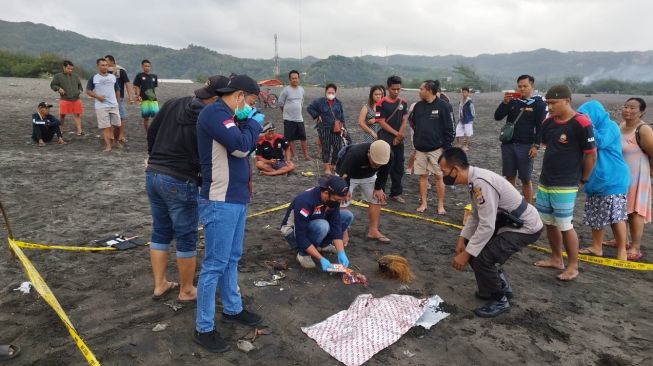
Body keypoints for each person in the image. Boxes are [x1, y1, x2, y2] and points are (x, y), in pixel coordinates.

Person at [194, 74, 265, 353]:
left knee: (232, 257)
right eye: (249, 101)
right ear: (238, 95)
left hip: (235, 198)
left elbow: (242, 142)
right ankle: (204, 327)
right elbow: (241, 147)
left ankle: (233, 308)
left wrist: (248, 125)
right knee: (214, 263)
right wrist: (254, 125)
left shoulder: (231, 116)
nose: (249, 106)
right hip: (219, 199)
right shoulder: (215, 113)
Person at [145, 75, 227, 303]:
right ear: (216, 98)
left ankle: (160, 284)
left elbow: (152, 132)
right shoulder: (207, 117)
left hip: (153, 173)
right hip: (180, 179)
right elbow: (207, 156)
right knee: (186, 235)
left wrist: (154, 157)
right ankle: (187, 289)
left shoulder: (173, 102)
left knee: (160, 229)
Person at [441, 147, 543, 318]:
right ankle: (496, 287)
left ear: (455, 170)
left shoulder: (480, 183)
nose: (443, 175)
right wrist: (462, 238)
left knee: (483, 258)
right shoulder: (473, 179)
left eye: (444, 171)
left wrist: (466, 254)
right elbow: (475, 214)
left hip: (525, 227)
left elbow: (487, 226)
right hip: (509, 223)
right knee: (474, 248)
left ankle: (500, 299)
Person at [534, 85, 596, 281]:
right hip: (546, 180)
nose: (550, 107)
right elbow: (548, 146)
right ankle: (556, 258)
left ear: (567, 101)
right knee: (549, 222)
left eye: (553, 103)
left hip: (566, 183)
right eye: (547, 103)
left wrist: (582, 180)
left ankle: (573, 265)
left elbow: (591, 156)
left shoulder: (581, 123)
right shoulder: (548, 122)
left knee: (565, 225)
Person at [575, 100, 629, 261]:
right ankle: (596, 247)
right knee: (596, 214)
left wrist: (588, 126)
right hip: (595, 179)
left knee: (616, 215)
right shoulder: (588, 129)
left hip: (613, 177)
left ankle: (622, 250)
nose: (584, 119)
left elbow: (600, 142)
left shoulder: (610, 126)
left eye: (587, 116)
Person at [280, 176, 354, 269]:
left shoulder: (333, 198)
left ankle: (323, 245)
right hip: (292, 232)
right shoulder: (305, 201)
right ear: (326, 193)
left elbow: (336, 224)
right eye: (337, 200)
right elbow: (300, 235)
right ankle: (303, 254)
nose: (338, 202)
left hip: (314, 222)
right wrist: (321, 259)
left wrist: (341, 252)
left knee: (347, 216)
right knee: (322, 226)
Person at [493, 75, 547, 203]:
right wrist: (504, 103)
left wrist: (536, 146)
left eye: (525, 86)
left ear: (532, 87)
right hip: (508, 145)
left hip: (526, 146)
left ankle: (528, 209)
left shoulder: (538, 104)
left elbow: (541, 126)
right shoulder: (513, 101)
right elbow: (497, 116)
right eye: (520, 86)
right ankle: (512, 206)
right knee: (510, 176)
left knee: (525, 179)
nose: (522, 89)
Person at [409, 80, 454, 214]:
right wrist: (416, 143)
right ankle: (424, 203)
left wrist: (445, 148)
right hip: (420, 149)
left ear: (429, 91)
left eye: (421, 89)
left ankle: (440, 205)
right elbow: (414, 124)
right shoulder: (418, 106)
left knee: (439, 176)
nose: (419, 91)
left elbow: (449, 128)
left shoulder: (443, 106)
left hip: (437, 149)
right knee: (422, 176)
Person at [336, 140, 392, 242]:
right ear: (369, 153)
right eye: (375, 163)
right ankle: (343, 233)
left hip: (368, 176)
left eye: (380, 164)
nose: (377, 166)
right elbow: (344, 173)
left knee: (377, 198)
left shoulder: (388, 155)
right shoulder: (355, 154)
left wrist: (379, 188)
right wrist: (345, 189)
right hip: (347, 174)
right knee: (341, 201)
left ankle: (373, 231)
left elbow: (384, 173)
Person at [618, 97, 652, 261]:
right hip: (622, 175)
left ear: (642, 112)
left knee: (635, 211)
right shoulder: (621, 126)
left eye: (632, 108)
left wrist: (650, 172)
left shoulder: (643, 129)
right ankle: (622, 240)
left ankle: (635, 246)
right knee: (621, 209)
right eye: (626, 106)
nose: (627, 110)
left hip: (638, 174)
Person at [376, 75, 409, 203]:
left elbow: (404, 119)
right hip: (385, 138)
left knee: (399, 166)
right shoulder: (381, 103)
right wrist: (396, 134)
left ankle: (396, 193)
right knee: (384, 165)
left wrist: (399, 135)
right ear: (388, 88)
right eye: (393, 89)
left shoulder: (403, 102)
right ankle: (381, 193)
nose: (396, 91)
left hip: (399, 138)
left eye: (398, 89)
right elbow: (381, 122)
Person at [307, 83, 346, 175]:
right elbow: (309, 108)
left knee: (338, 147)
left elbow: (342, 116)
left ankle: (333, 164)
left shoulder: (338, 103)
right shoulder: (319, 102)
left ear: (335, 93)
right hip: (324, 128)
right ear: (325, 92)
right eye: (329, 92)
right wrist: (317, 115)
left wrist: (343, 127)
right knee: (326, 148)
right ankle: (326, 167)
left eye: (333, 92)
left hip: (336, 129)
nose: (331, 94)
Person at [85, 58, 120, 152]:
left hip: (113, 105)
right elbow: (88, 91)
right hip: (101, 106)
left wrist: (118, 102)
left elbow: (117, 90)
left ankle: (116, 141)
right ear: (98, 66)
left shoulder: (113, 77)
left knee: (117, 125)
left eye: (106, 65)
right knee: (105, 126)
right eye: (102, 65)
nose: (105, 67)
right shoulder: (94, 78)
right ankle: (108, 146)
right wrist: (97, 96)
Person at [278, 70, 311, 160]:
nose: (295, 80)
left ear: (298, 79)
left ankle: (306, 155)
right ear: (290, 79)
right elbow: (281, 103)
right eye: (293, 78)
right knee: (290, 138)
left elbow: (302, 101)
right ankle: (294, 155)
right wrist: (286, 113)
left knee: (303, 137)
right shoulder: (286, 90)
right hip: (288, 118)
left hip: (299, 118)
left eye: (296, 78)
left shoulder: (301, 90)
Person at [50, 60, 84, 135]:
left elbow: (80, 86)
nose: (70, 70)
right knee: (62, 115)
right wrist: (59, 89)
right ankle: (60, 130)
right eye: (68, 68)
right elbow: (53, 85)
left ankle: (79, 131)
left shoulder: (75, 76)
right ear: (64, 67)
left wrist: (79, 91)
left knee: (77, 114)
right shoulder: (58, 76)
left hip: (76, 99)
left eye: (71, 69)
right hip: (65, 99)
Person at [105, 55, 134, 143]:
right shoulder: (105, 71)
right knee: (108, 117)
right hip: (107, 98)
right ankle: (110, 135)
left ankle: (121, 135)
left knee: (120, 117)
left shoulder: (120, 70)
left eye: (106, 61)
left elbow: (127, 83)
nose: (105, 63)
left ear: (112, 61)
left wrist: (130, 97)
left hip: (119, 98)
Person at [133, 59, 159, 131]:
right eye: (145, 66)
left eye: (148, 66)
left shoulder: (154, 76)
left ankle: (155, 131)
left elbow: (154, 88)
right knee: (146, 118)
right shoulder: (140, 75)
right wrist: (137, 95)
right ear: (142, 66)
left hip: (153, 99)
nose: (147, 67)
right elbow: (136, 86)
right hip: (144, 99)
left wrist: (155, 97)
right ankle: (147, 132)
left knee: (156, 117)